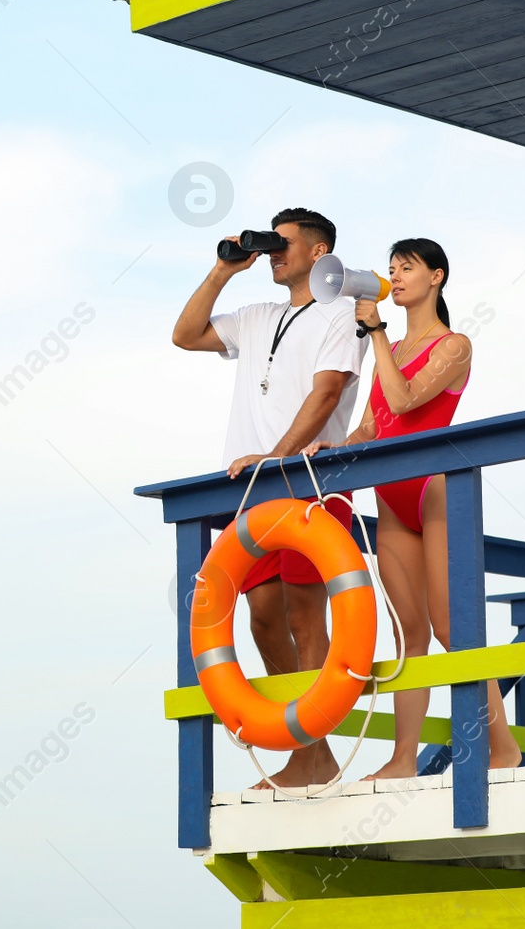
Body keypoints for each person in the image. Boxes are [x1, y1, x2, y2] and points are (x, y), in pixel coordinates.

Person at [303, 237, 522, 779]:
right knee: (408, 635)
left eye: (408, 268)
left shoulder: (455, 345)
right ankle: (403, 758)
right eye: (392, 268)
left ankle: (504, 749)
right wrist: (340, 445)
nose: (395, 276)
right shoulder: (390, 351)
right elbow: (376, 424)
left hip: (434, 490)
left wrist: (375, 331)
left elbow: (405, 402)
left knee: (452, 627)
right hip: (391, 496)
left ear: (437, 278)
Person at [172, 208, 368, 787]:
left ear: (319, 250)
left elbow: (328, 391)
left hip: (309, 481)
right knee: (262, 619)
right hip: (254, 490)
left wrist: (279, 455)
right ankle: (312, 750)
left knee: (307, 616)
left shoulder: (340, 315)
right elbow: (185, 335)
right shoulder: (257, 315)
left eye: (284, 244)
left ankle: (311, 752)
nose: (274, 252)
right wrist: (222, 271)